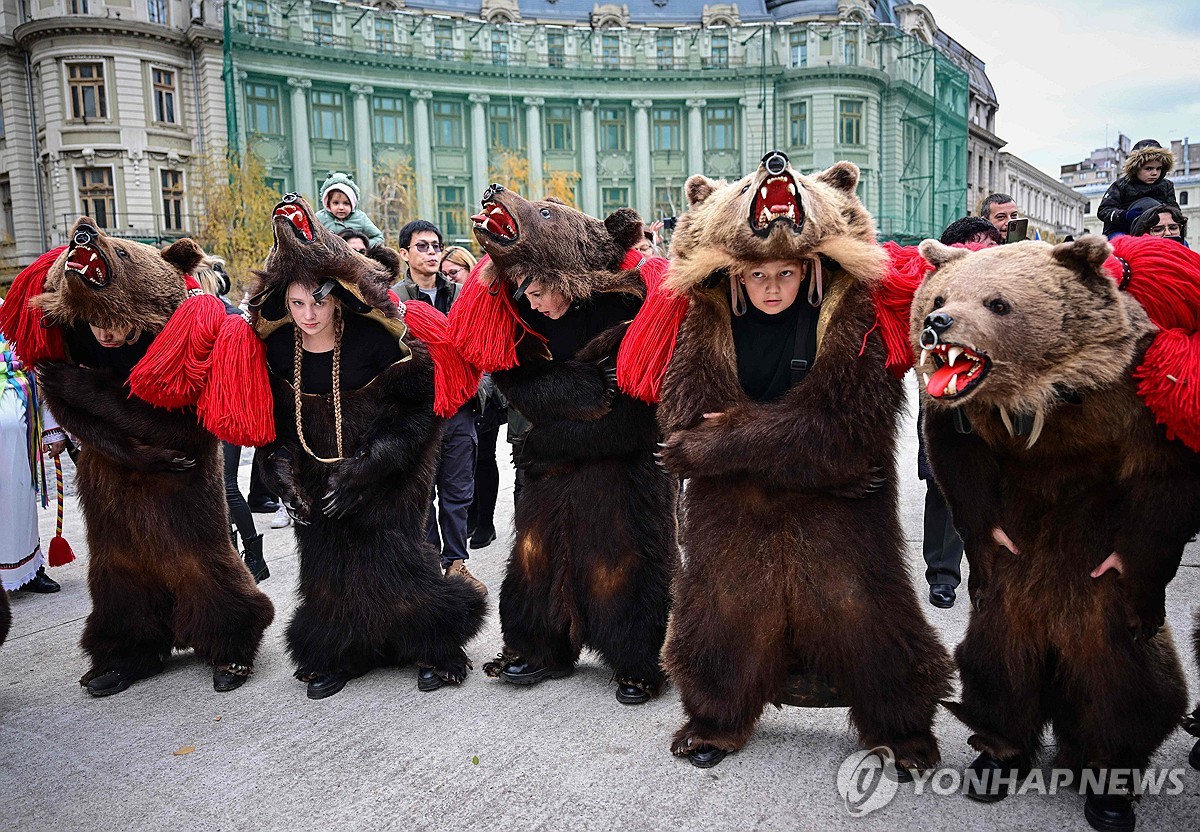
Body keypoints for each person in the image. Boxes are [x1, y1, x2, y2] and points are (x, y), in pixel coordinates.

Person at [253, 193, 486, 698]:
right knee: (326, 574)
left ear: (338, 295)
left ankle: (435, 647)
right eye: (296, 303)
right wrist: (282, 472)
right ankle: (341, 651)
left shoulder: (380, 340)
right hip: (319, 486)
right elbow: (272, 426)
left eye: (318, 300)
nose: (308, 314)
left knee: (397, 567)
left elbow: (421, 412)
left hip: (384, 479)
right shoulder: (274, 346)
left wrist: (373, 463)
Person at [394, 220, 482, 591]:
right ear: (405, 254)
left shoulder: (460, 293)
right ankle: (428, 564)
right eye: (422, 246)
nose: (431, 253)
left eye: (436, 246)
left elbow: (480, 344)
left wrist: (479, 389)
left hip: (460, 407)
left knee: (458, 490)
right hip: (418, 412)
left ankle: (457, 561)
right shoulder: (392, 299)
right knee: (421, 491)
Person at [194, 257, 269, 583]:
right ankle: (234, 555)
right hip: (212, 409)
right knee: (216, 486)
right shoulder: (207, 315)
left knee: (224, 485)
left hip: (227, 409)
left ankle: (252, 556)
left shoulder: (228, 317)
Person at [1, 326, 66, 596]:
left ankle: (29, 571)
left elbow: (38, 367)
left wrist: (52, 428)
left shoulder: (9, 315)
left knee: (19, 501)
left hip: (18, 441)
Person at [1098, 139, 1180, 238]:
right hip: (1122, 230)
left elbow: (1175, 211)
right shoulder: (1121, 185)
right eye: (1149, 168)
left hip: (1157, 230)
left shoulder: (1166, 186)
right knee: (1118, 243)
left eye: (1158, 168)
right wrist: (1124, 215)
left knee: (1182, 244)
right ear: (1135, 168)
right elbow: (1104, 211)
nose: (1154, 173)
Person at [315, 172, 385, 248]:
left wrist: (363, 246)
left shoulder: (360, 218)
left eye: (346, 203)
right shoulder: (319, 218)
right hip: (329, 257)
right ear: (328, 203)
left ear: (353, 203)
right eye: (336, 203)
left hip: (355, 257)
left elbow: (378, 237)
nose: (341, 207)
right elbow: (310, 239)